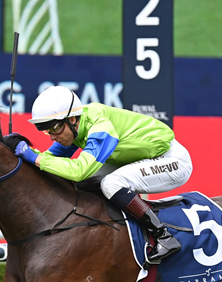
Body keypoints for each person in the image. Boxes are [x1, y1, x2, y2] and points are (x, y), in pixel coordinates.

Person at [14, 85, 193, 263]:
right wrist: (18, 153)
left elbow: (79, 171)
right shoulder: (75, 127)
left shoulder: (101, 126)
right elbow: (48, 161)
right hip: (141, 158)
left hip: (172, 160)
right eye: (47, 131)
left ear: (73, 119)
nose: (52, 137)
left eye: (54, 128)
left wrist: (34, 157)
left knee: (111, 183)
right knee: (80, 178)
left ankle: (163, 236)